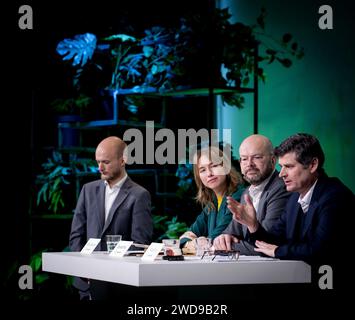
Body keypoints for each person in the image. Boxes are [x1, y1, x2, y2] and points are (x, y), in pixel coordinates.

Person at [227, 133, 354, 268]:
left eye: (289, 166)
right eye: (281, 167)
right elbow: (273, 240)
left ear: (313, 165)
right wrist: (253, 226)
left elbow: (320, 251)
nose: (281, 174)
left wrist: (278, 250)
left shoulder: (335, 197)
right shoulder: (295, 198)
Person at [69, 136, 153, 299]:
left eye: (105, 162)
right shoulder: (88, 190)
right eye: (97, 161)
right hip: (86, 283)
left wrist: (110, 270)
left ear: (122, 161)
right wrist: (82, 267)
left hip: (119, 284)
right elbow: (76, 235)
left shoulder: (139, 195)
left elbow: (140, 243)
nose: (99, 167)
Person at [213, 134, 290, 255]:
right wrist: (222, 239)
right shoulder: (247, 192)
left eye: (257, 157)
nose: (249, 164)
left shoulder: (282, 187)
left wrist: (225, 247)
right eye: (244, 159)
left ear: (273, 160)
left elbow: (265, 245)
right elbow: (230, 232)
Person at [179, 145, 244, 251]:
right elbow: (185, 237)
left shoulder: (238, 196)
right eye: (202, 170)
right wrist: (195, 243)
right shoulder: (212, 205)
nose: (209, 173)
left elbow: (215, 239)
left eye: (214, 166)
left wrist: (196, 243)